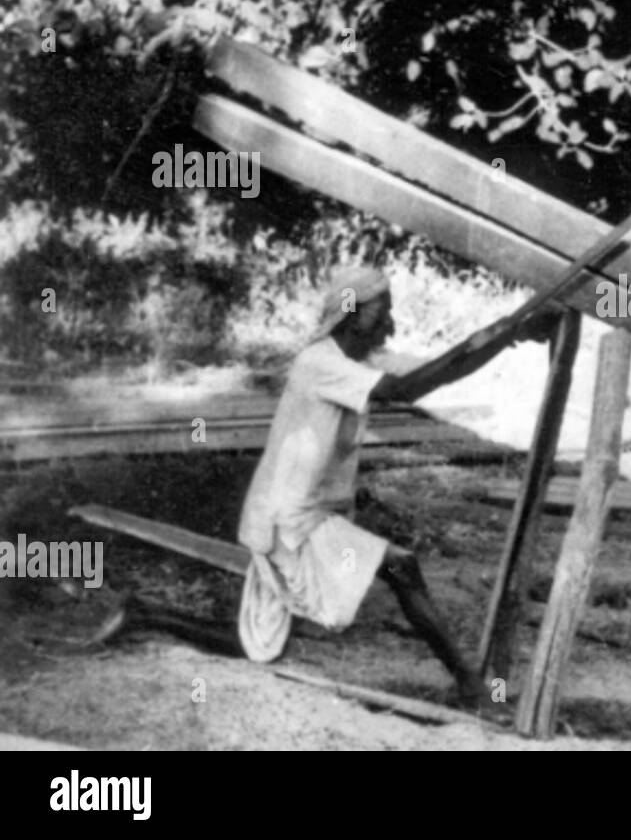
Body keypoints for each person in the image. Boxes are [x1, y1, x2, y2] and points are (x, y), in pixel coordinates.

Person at [93, 266, 555, 706]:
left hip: (295, 514)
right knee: (401, 567)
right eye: (383, 309)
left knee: (259, 643)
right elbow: (405, 389)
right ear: (353, 311)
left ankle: (146, 612)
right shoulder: (320, 363)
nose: (390, 321)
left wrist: (507, 331)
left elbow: (440, 365)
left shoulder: (357, 360)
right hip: (289, 519)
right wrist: (511, 331)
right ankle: (471, 683)